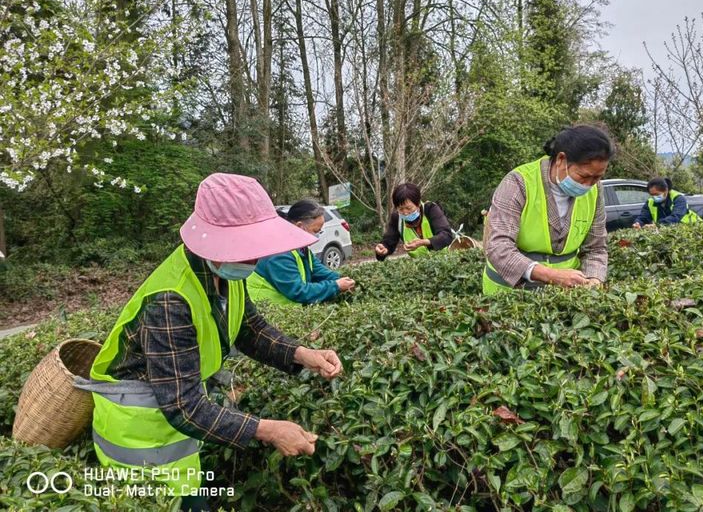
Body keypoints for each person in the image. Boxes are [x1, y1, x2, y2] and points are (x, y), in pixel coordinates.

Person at [80, 174, 344, 511]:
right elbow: (184, 406)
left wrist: (302, 354)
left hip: (175, 436)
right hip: (140, 440)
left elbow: (249, 328)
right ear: (214, 242)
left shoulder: (224, 270)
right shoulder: (169, 301)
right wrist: (269, 430)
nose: (254, 258)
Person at [483, 125, 614, 294]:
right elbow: (498, 247)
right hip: (508, 293)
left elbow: (596, 248)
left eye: (597, 177)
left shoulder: (595, 191)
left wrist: (593, 280)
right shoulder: (518, 182)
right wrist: (551, 275)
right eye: (583, 176)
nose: (588, 185)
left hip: (562, 295)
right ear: (561, 160)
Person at [247, 200, 356, 305]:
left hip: (285, 310)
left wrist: (344, 279)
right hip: (265, 312)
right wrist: (335, 286)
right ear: (300, 226)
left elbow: (318, 270)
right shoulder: (279, 252)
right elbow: (298, 291)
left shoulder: (300, 248)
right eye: (316, 231)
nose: (317, 236)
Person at [374, 183, 453, 260]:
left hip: (444, 261)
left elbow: (446, 236)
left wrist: (422, 242)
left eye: (409, 208)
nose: (405, 212)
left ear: (418, 204)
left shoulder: (430, 209)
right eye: (400, 209)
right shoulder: (397, 218)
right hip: (419, 266)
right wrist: (383, 249)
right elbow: (389, 241)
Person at [632, 178, 701, 228]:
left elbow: (675, 217)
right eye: (652, 195)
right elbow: (643, 217)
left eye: (656, 194)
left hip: (691, 227)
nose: (654, 197)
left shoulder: (678, 198)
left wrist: (657, 225)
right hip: (670, 231)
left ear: (666, 190)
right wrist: (638, 223)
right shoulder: (650, 202)